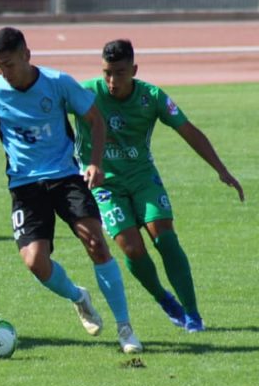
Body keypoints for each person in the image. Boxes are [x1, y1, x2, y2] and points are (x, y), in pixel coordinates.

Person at [0, 27, 142, 354]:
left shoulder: (58, 82)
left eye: (8, 64)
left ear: (26, 55)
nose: (4, 73)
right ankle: (78, 297)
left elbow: (96, 120)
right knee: (35, 262)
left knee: (95, 241)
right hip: (24, 186)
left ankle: (125, 328)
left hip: (66, 176)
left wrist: (94, 163)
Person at [71, 39, 244, 332]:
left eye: (120, 73)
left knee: (165, 238)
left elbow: (188, 130)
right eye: (107, 73)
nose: (112, 81)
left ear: (134, 70)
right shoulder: (85, 92)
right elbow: (43, 110)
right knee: (131, 248)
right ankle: (164, 299)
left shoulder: (151, 97)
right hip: (104, 185)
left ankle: (193, 314)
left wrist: (221, 169)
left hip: (142, 178)